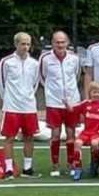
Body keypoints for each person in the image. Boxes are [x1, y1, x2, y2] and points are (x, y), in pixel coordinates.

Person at [0, 32, 41, 179]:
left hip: (29, 107)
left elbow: (35, 84)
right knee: (9, 138)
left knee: (29, 137)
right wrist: (8, 100)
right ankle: (8, 169)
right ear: (16, 44)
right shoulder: (6, 62)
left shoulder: (34, 64)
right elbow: (1, 83)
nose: (26, 47)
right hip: (11, 107)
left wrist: (27, 98)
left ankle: (27, 168)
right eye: (23, 44)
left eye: (28, 44)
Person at [38, 30, 83, 177]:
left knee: (71, 134)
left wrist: (69, 96)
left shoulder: (75, 58)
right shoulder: (45, 59)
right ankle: (55, 165)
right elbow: (42, 78)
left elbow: (76, 76)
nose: (60, 44)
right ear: (52, 43)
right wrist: (54, 93)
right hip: (54, 102)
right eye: (57, 42)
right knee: (55, 135)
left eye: (63, 42)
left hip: (72, 102)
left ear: (67, 43)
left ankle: (71, 164)